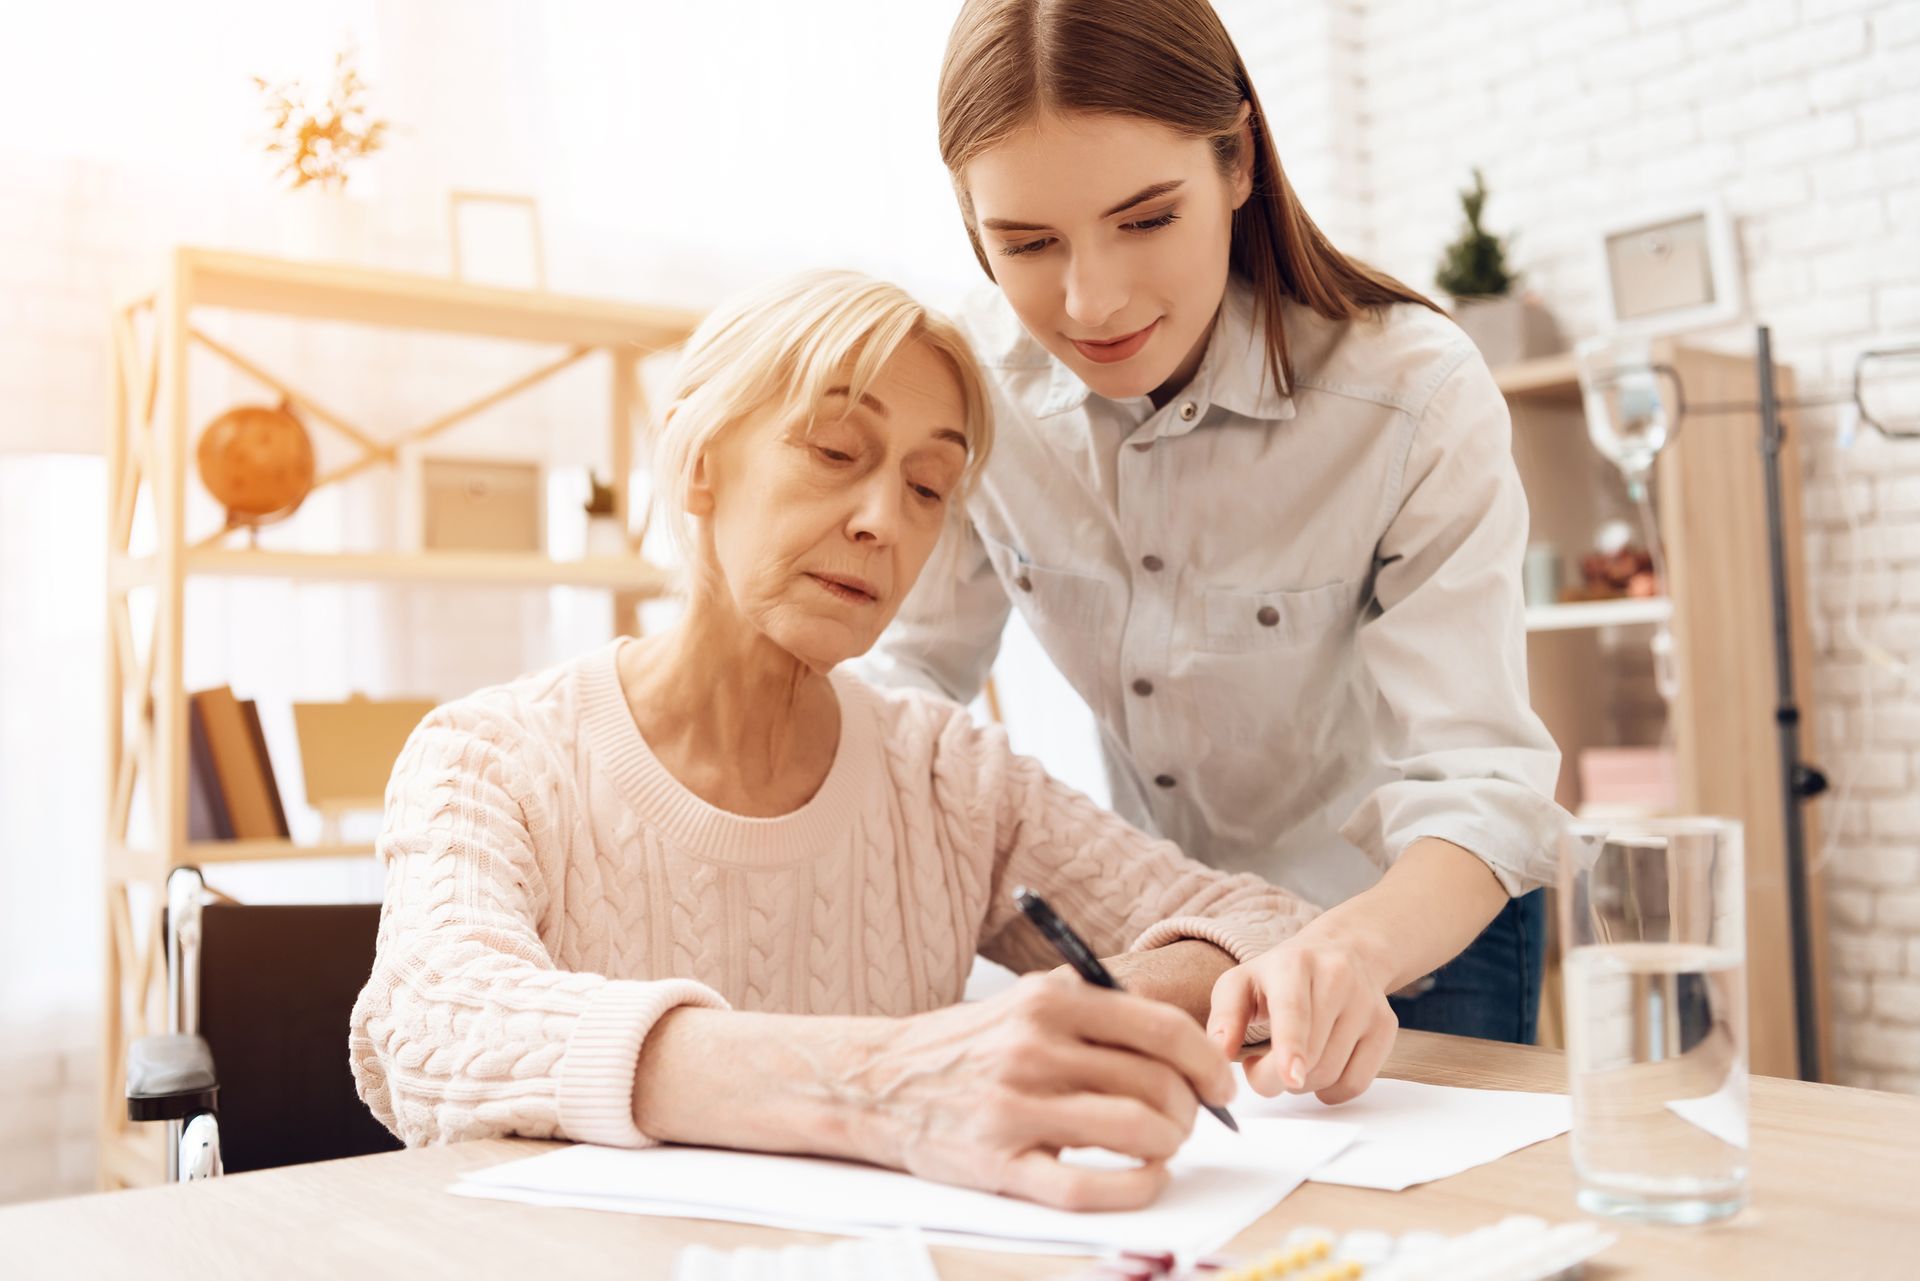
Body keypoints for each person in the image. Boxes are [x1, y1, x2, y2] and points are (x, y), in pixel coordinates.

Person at [349, 270, 1342, 1214]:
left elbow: (1271, 924)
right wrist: (892, 1078)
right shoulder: (487, 757)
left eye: (928, 486)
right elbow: (441, 1025)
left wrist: (1069, 1017)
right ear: (699, 461)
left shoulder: (949, 774)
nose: (883, 522)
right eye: (834, 451)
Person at [865, 0, 1570, 1097]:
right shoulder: (973, 390)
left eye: (1146, 219)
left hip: (1412, 931)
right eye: (1028, 243)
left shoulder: (1411, 395)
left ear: (1238, 160)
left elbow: (1480, 781)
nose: (1092, 301)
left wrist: (1348, 950)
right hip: (1179, 935)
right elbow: (907, 680)